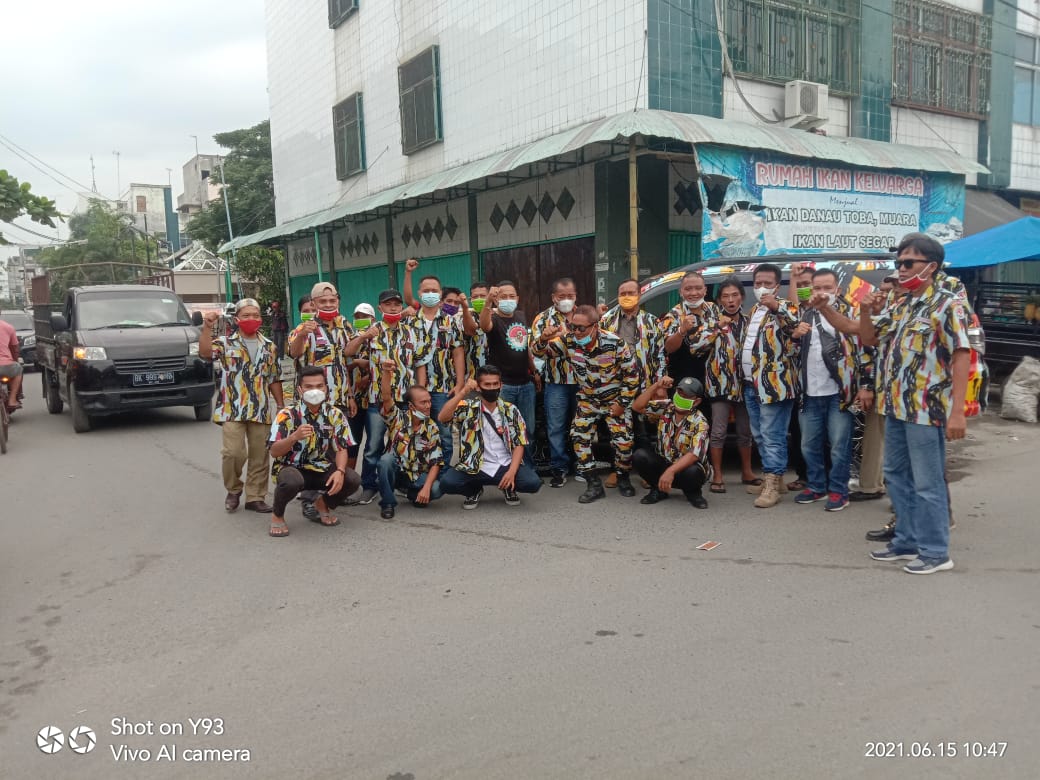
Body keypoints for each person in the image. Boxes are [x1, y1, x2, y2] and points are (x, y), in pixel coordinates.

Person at [851, 233, 969, 574]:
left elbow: (961, 355)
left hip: (925, 409)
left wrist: (957, 411)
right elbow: (870, 337)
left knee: (928, 482)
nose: (900, 269)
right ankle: (906, 540)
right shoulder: (902, 304)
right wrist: (863, 310)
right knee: (895, 475)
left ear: (931, 266)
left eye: (908, 263)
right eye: (898, 263)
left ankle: (935, 552)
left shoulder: (949, 304)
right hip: (895, 407)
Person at [532, 305, 640, 503]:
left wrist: (622, 404)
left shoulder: (615, 343)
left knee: (624, 444)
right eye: (573, 326)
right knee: (579, 439)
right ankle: (593, 484)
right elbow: (540, 354)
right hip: (588, 400)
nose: (576, 332)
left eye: (581, 328)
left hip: (614, 400)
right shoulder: (569, 341)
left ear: (595, 326)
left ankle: (623, 477)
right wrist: (542, 339)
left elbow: (632, 376)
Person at [792, 268, 873, 512]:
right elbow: (792, 351)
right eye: (817, 288)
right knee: (808, 444)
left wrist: (866, 385)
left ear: (837, 290)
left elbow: (866, 352)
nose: (822, 293)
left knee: (839, 445)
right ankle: (816, 486)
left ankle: (839, 491)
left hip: (840, 393)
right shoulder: (806, 314)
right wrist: (795, 335)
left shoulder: (851, 315)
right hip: (809, 392)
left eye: (828, 288)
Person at [345, 289, 432, 505]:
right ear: (379, 308)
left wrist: (420, 390)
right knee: (373, 445)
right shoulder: (372, 331)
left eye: (396, 304)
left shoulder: (412, 331)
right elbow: (348, 352)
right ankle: (369, 486)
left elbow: (420, 362)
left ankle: (401, 482)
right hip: (377, 400)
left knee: (404, 443)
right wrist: (364, 336)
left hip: (405, 400)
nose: (393, 307)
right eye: (388, 304)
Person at [199, 299, 284, 513]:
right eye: (246, 315)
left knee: (259, 455)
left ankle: (255, 497)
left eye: (255, 315)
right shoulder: (225, 343)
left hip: (260, 407)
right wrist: (207, 328)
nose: (251, 319)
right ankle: (234, 488)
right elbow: (205, 353)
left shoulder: (269, 346)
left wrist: (281, 406)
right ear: (237, 319)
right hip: (232, 408)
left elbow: (274, 378)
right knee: (232, 452)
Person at [267, 366, 361, 537]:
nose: (315, 391)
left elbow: (342, 448)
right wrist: (293, 437)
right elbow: (274, 452)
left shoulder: (335, 414)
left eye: (319, 386)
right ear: (299, 389)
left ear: (326, 388)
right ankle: (277, 515)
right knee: (290, 481)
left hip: (320, 468)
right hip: (291, 468)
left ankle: (323, 504)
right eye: (309, 387)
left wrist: (340, 471)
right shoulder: (286, 415)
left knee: (352, 479)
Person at [437, 365, 542, 508]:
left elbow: (519, 443)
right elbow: (443, 418)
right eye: (487, 384)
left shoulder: (511, 410)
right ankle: (474, 491)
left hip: (505, 464)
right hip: (474, 465)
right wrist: (463, 392)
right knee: (447, 483)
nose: (492, 388)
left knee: (533, 483)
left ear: (501, 385)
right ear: (479, 387)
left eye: (495, 384)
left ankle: (508, 487)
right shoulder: (467, 407)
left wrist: (511, 472)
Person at [741, 263, 800, 508]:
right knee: (760, 435)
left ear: (777, 285)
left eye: (767, 283)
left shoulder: (786, 307)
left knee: (772, 435)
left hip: (775, 385)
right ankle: (774, 478)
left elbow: (794, 325)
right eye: (757, 283)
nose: (762, 287)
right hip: (751, 384)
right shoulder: (755, 308)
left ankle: (772, 486)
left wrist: (777, 307)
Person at [696, 276, 759, 494]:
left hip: (744, 384)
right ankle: (718, 475)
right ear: (719, 300)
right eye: (725, 296)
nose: (731, 300)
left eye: (734, 295)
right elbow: (696, 347)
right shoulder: (711, 321)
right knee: (719, 431)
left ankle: (748, 472)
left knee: (745, 431)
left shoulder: (750, 322)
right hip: (718, 385)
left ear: (742, 297)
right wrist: (716, 327)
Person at [600, 278, 667, 481]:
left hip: (644, 383)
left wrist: (660, 385)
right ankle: (618, 470)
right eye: (623, 293)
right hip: (615, 385)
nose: (627, 297)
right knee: (616, 430)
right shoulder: (606, 321)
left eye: (631, 293)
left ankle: (646, 473)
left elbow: (660, 354)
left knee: (642, 430)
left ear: (639, 295)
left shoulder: (652, 322)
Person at [403, 259, 466, 463]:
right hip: (415, 387)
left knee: (445, 433)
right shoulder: (410, 320)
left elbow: (458, 352)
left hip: (443, 387)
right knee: (417, 431)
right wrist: (408, 273)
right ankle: (419, 469)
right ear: (420, 294)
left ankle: (444, 474)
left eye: (435, 290)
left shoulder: (449, 319)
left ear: (440, 294)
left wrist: (459, 383)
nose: (431, 293)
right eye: (426, 290)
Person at [478, 281, 541, 461]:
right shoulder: (494, 319)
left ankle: (527, 468)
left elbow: (525, 346)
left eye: (511, 296)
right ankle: (505, 468)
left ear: (518, 298)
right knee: (503, 429)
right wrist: (488, 302)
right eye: (503, 297)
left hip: (525, 384)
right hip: (504, 386)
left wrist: (534, 371)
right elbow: (484, 325)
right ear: (497, 300)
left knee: (528, 429)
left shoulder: (521, 316)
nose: (508, 300)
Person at [375, 361, 444, 520]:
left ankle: (413, 493)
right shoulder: (397, 418)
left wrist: (426, 488)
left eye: (429, 401)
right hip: (397, 470)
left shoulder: (431, 427)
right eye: (423, 402)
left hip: (416, 474)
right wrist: (386, 372)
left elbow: (436, 462)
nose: (428, 406)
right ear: (411, 406)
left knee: (436, 489)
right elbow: (386, 397)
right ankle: (388, 503)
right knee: (385, 461)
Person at [852, 274, 898, 507]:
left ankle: (900, 496)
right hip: (880, 387)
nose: (883, 293)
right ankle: (872, 486)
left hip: (903, 392)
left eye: (889, 289)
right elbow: (867, 350)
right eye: (881, 288)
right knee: (875, 437)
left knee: (898, 443)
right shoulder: (879, 315)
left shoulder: (904, 313)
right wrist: (867, 386)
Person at [631, 375, 711, 508]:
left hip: (684, 469)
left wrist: (670, 472)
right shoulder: (666, 408)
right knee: (640, 456)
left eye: (686, 396)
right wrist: (657, 385)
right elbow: (637, 407)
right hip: (664, 462)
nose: (681, 397)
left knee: (693, 471)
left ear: (696, 401)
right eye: (679, 392)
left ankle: (693, 493)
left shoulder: (700, 422)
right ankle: (658, 489)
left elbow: (694, 454)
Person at [530, 278, 579, 486]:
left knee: (582, 426)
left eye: (570, 296)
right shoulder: (543, 319)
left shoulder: (584, 315)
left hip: (583, 382)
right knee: (556, 427)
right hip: (556, 381)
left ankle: (582, 465)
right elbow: (535, 351)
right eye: (562, 296)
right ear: (553, 298)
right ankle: (559, 468)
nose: (566, 300)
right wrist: (543, 339)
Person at [661, 270, 718, 385]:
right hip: (684, 379)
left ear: (705, 290)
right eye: (688, 289)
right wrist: (681, 331)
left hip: (712, 378)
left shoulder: (714, 309)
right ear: (681, 292)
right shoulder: (673, 315)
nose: (693, 293)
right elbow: (668, 348)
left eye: (698, 288)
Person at [459, 280, 490, 377]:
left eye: (483, 296)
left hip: (496, 378)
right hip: (473, 376)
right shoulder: (464, 317)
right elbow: (470, 330)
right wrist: (465, 308)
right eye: (475, 297)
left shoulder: (498, 316)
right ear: (470, 299)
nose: (479, 299)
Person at [0, 316, 23, 413]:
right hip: (6, 365)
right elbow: (15, 349)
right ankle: (12, 399)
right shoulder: (8, 327)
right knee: (18, 368)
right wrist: (15, 360)